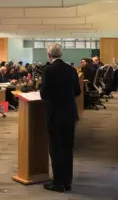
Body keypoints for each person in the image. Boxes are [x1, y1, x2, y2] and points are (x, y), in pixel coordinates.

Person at [40, 43, 80, 193]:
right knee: (68, 148)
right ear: (61, 54)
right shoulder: (71, 69)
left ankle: (58, 183)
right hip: (69, 113)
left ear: (49, 55)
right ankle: (67, 181)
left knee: (56, 148)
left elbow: (44, 94)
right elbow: (77, 91)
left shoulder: (48, 70)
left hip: (55, 114)